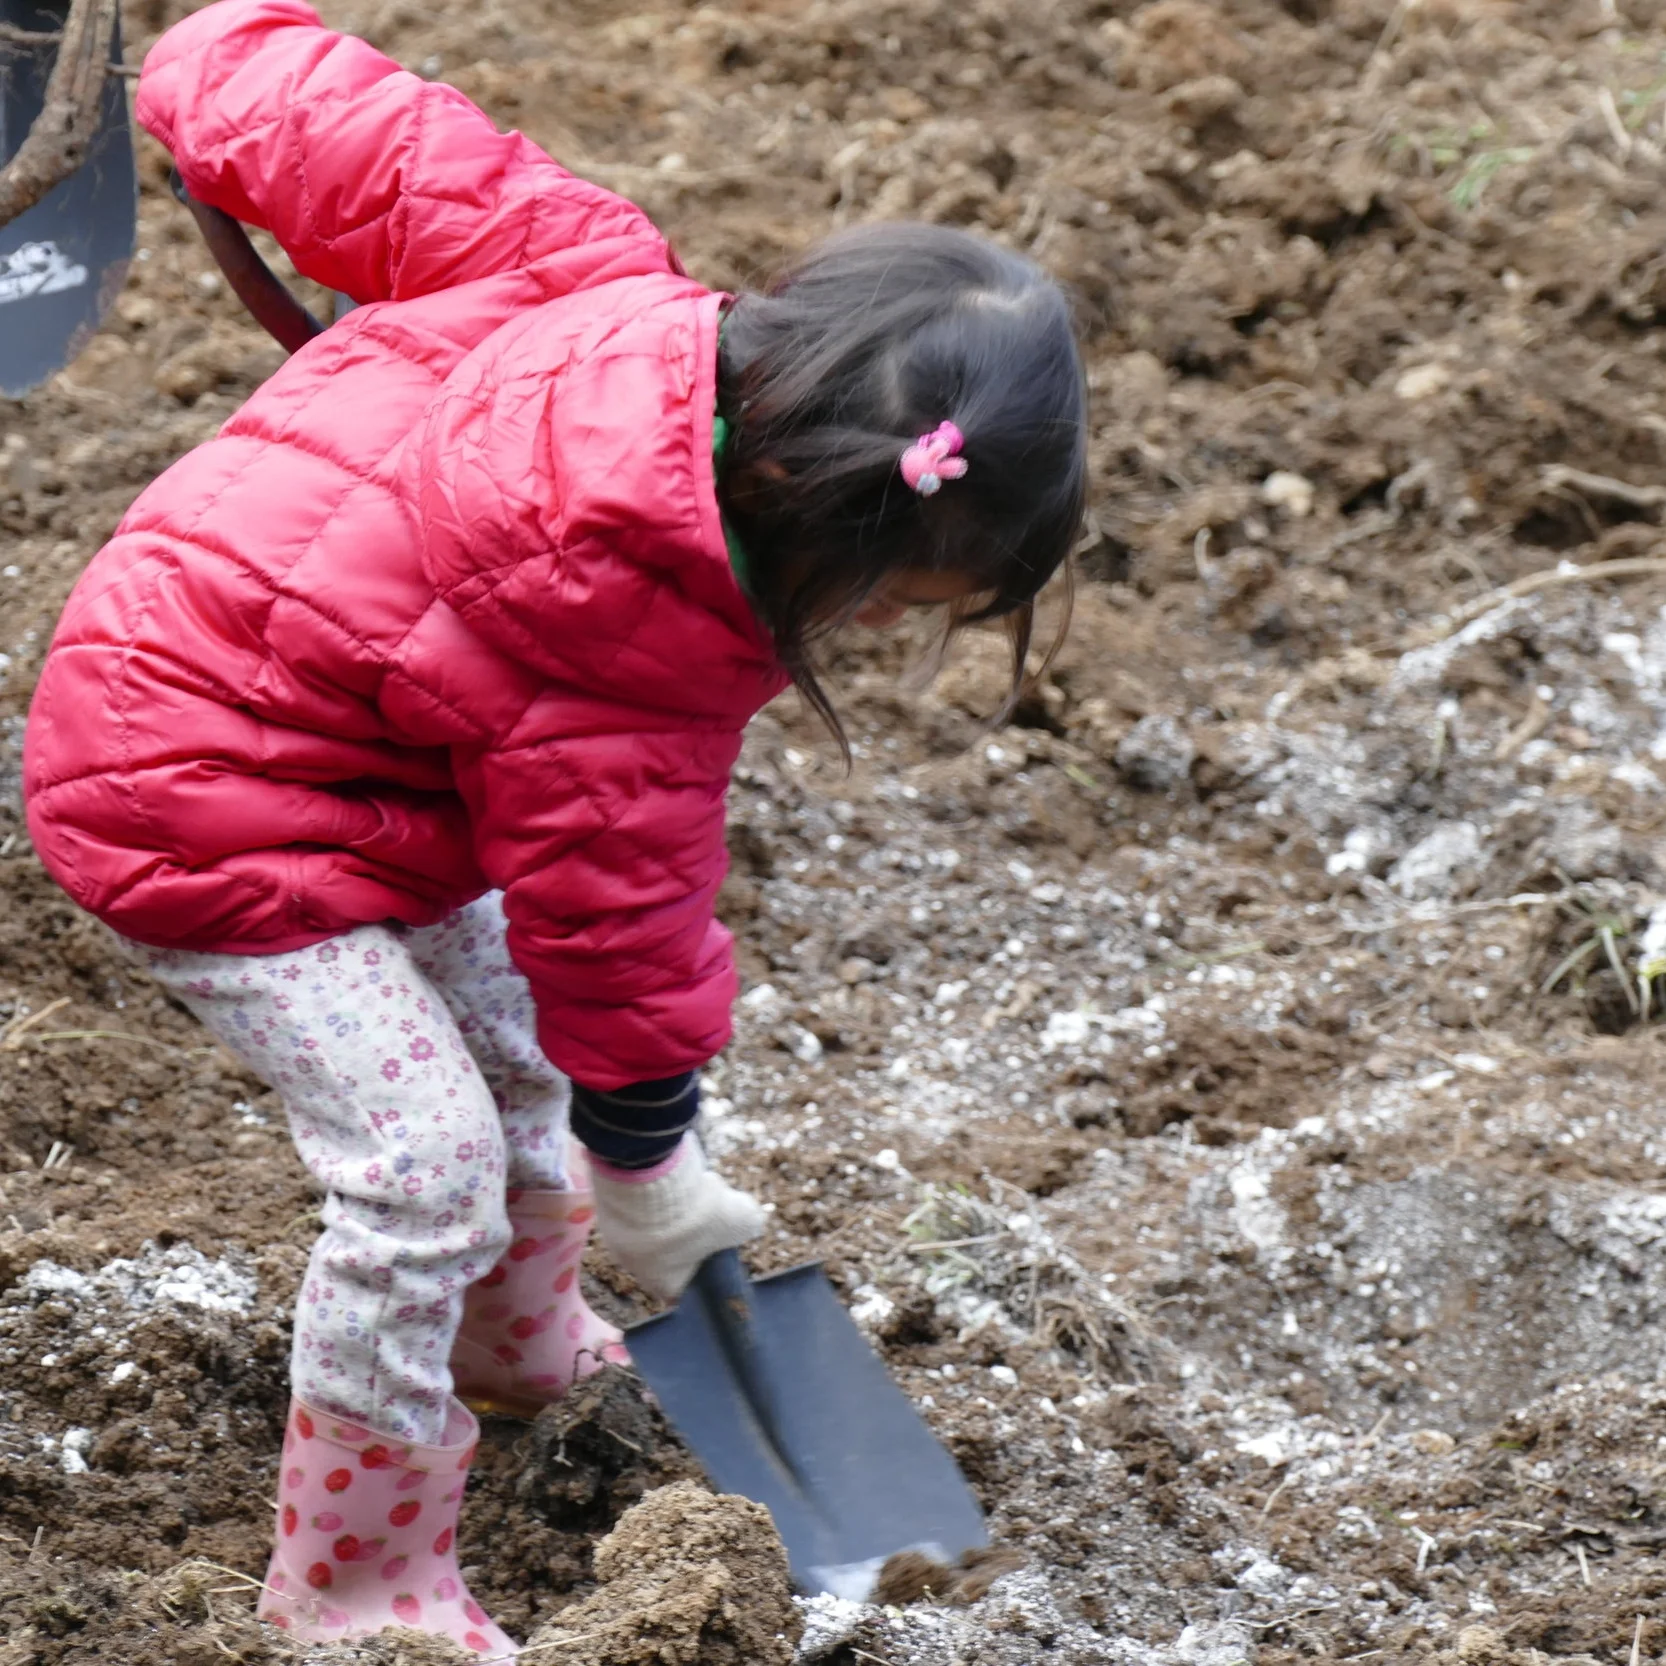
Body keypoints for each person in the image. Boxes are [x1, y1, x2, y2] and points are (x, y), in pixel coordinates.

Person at [21, 0, 1088, 1652]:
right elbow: (615, 927)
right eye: (889, 605)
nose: (872, 632)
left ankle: (513, 1342)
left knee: (513, 1052)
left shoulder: (592, 260)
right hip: (187, 789)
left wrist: (206, 59)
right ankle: (355, 1578)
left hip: (342, 739)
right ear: (819, 516)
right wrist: (652, 1163)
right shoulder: (642, 639)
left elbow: (365, 139)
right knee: (422, 1169)